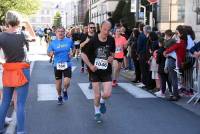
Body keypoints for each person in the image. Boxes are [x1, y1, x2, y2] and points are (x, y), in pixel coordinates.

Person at [0, 10, 31, 134]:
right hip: (22, 70)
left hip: (8, 70)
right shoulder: (22, 34)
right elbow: (33, 37)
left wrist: (3, 63)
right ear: (19, 21)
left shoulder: (1, 36)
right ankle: (21, 131)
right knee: (20, 103)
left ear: (7, 21)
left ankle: (1, 128)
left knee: (5, 102)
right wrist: (27, 23)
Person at [81, 21, 115, 123]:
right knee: (96, 94)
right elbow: (83, 54)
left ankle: (102, 101)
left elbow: (112, 53)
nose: (106, 32)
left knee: (107, 94)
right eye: (105, 29)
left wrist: (111, 58)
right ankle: (97, 112)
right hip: (94, 71)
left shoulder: (111, 40)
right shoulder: (93, 40)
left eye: (108, 30)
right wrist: (90, 66)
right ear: (100, 28)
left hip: (106, 70)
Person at [47, 27, 74, 105]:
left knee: (67, 82)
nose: (61, 33)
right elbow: (48, 52)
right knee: (58, 84)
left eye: (62, 31)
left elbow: (73, 48)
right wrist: (50, 54)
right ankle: (59, 96)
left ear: (64, 32)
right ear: (56, 33)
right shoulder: (53, 43)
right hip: (57, 65)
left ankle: (65, 90)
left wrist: (72, 53)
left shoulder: (69, 41)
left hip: (67, 63)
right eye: (59, 31)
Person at [80, 22, 96, 89]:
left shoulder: (97, 35)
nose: (92, 29)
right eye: (91, 27)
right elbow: (80, 46)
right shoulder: (84, 36)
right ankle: (91, 81)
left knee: (95, 69)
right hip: (87, 55)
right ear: (88, 28)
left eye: (93, 28)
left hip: (96, 55)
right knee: (90, 69)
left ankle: (94, 81)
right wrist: (86, 41)